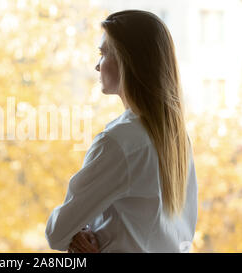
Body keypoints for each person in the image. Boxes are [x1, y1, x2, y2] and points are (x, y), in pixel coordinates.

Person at [45, 10, 198, 253]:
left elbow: (57, 233)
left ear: (128, 62)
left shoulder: (118, 143)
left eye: (103, 54)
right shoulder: (177, 138)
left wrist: (80, 233)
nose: (97, 65)